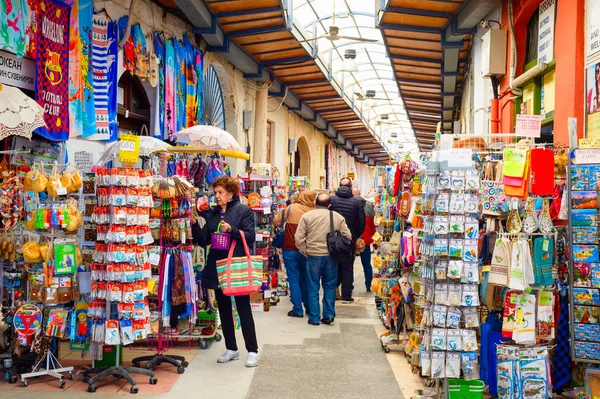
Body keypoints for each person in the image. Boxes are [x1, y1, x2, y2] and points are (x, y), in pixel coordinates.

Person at [192, 176, 259, 367]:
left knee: (243, 308)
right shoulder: (212, 214)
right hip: (217, 265)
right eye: (216, 193)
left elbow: (251, 237)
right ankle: (232, 348)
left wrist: (232, 230)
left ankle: (252, 350)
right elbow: (205, 240)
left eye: (221, 192)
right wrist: (195, 223)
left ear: (231, 194)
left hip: (235, 265)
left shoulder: (243, 210)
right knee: (223, 308)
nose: (217, 196)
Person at [295, 193, 351, 326]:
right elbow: (347, 236)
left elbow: (298, 238)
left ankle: (314, 317)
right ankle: (328, 314)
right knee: (330, 286)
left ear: (315, 203)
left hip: (313, 256)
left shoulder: (307, 216)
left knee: (313, 287)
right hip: (331, 257)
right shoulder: (337, 217)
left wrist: (305, 251)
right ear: (329, 205)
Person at [273, 189, 316, 318]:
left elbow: (276, 221)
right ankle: (309, 307)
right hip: (307, 250)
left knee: (293, 279)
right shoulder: (315, 211)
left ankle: (297, 309)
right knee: (306, 279)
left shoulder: (291, 208)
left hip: (290, 248)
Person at [330, 178, 366, 303]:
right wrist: (355, 235)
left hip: (332, 238)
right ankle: (346, 295)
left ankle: (333, 291)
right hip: (348, 239)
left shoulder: (332, 200)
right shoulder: (356, 203)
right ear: (351, 188)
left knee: (333, 264)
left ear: (339, 186)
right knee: (347, 267)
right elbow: (362, 222)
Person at [353, 188, 376, 292]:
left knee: (349, 264)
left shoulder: (349, 204)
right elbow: (372, 225)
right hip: (365, 240)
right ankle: (368, 285)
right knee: (366, 263)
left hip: (352, 239)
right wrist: (371, 236)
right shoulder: (369, 205)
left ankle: (349, 286)